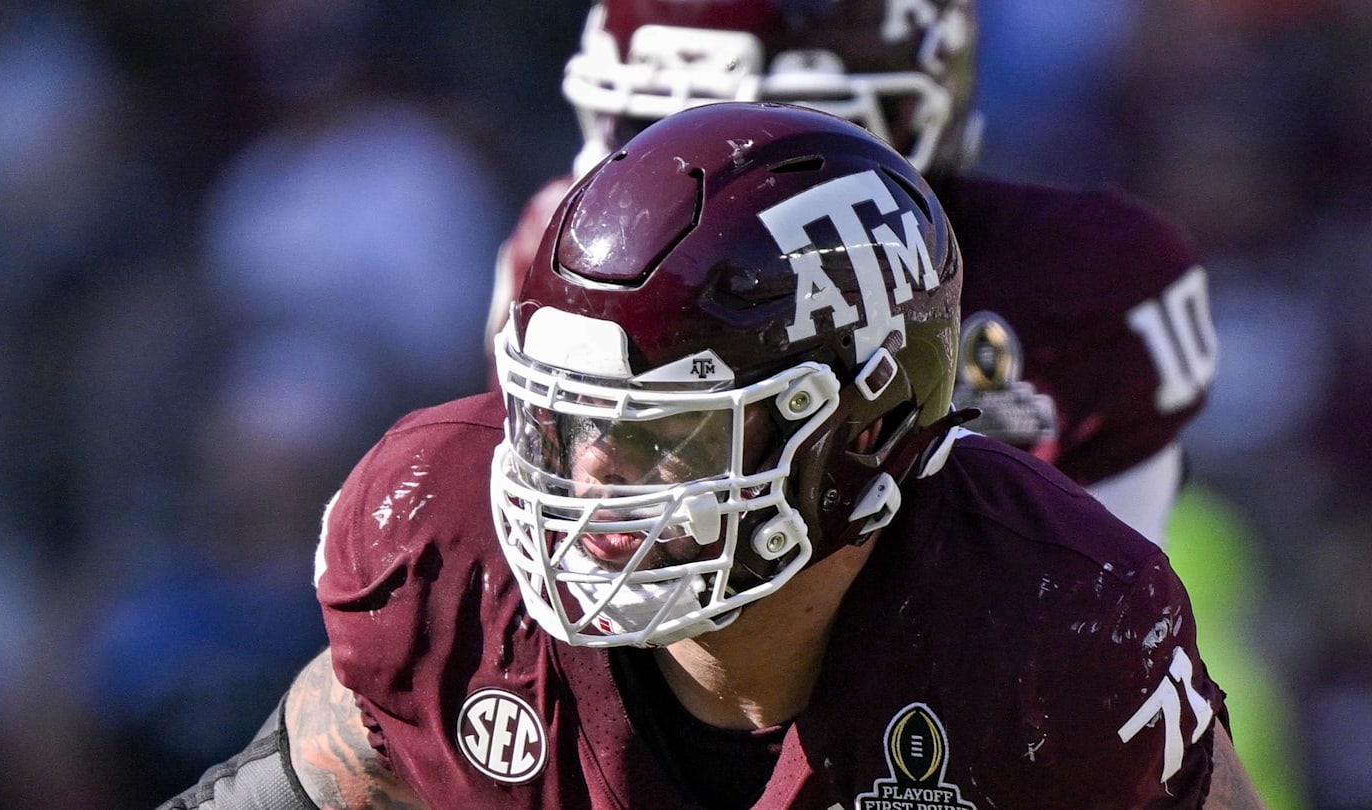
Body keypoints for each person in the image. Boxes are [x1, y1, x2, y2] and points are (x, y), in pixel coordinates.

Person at [159, 101, 1264, 808]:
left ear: (861, 436)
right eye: (565, 420)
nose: (589, 472)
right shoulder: (447, 555)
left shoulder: (1051, 627)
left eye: (663, 431)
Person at [487, 0, 1218, 549]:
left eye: (778, 152)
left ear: (911, 115)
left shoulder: (1080, 283)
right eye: (649, 133)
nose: (708, 194)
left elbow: (1088, 613)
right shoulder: (570, 255)